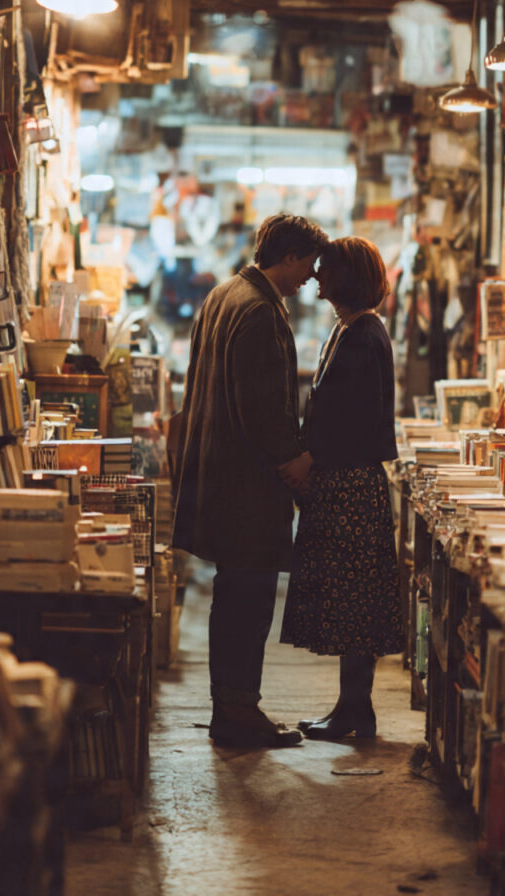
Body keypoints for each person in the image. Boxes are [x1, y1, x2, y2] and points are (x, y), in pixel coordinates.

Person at [173, 213, 329, 748]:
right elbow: (262, 408)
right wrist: (294, 465)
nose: (312, 276)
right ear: (287, 257)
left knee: (231, 596)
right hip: (246, 486)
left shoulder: (224, 294)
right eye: (308, 264)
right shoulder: (260, 311)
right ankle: (239, 712)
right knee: (249, 599)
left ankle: (230, 707)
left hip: (218, 476)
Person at [280, 236, 403, 740]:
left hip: (351, 486)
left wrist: (314, 457)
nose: (317, 276)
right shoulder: (350, 329)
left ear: (346, 277)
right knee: (350, 603)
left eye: (326, 269)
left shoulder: (363, 335)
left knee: (354, 605)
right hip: (345, 485)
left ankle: (356, 712)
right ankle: (352, 709)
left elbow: (357, 421)